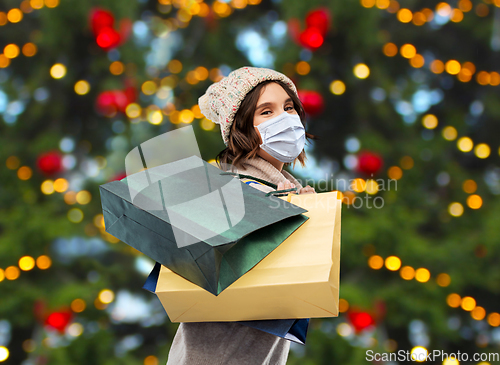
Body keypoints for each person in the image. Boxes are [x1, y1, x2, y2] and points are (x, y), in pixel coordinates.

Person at [166, 66, 317, 365]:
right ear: (242, 129)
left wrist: (309, 216)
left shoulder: (282, 189)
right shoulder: (233, 190)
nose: (285, 118)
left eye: (289, 108)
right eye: (266, 112)